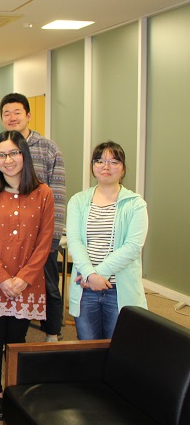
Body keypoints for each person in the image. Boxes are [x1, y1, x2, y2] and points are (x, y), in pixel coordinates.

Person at [0, 130, 54, 420]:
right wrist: (2, 278)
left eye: (13, 153)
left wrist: (23, 278)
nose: (8, 160)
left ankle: (14, 392)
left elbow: (45, 240)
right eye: (1, 155)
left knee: (17, 339)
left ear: (24, 155)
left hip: (27, 281)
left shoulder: (43, 193)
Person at [0, 93, 65, 342]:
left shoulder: (48, 148)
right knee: (10, 285)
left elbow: (58, 195)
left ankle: (52, 333)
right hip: (8, 238)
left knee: (49, 286)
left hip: (41, 237)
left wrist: (52, 239)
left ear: (28, 115)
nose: (12, 117)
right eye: (6, 113)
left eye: (17, 112)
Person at [67, 141, 148, 340]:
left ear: (123, 168)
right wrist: (89, 274)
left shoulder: (135, 204)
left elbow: (132, 247)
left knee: (120, 347)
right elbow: (74, 241)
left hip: (119, 289)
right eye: (100, 161)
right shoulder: (78, 201)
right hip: (85, 288)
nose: (106, 166)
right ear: (93, 167)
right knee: (88, 348)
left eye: (114, 162)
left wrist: (97, 275)